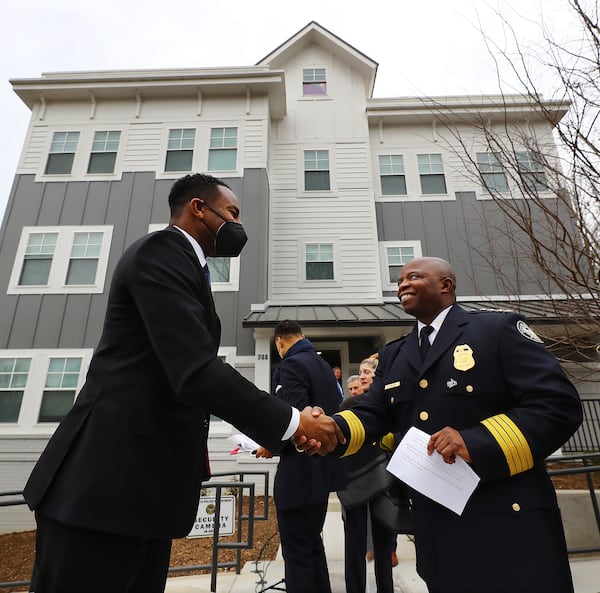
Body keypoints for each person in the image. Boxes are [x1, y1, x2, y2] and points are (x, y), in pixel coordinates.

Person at [22, 173, 344, 593]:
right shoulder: (161, 253)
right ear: (198, 208)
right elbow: (195, 371)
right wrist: (294, 423)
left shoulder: (188, 266)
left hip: (142, 495)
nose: (237, 225)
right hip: (103, 490)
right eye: (232, 213)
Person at [326, 256, 583, 593]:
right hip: (438, 531)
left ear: (445, 285)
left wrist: (476, 442)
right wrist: (330, 428)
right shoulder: (394, 355)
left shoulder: (496, 331)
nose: (401, 284)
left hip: (508, 524)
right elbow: (373, 413)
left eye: (413, 276)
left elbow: (558, 406)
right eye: (399, 280)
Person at [255, 320, 345, 593]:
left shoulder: (291, 365)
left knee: (297, 554)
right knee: (312, 545)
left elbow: (293, 416)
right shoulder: (323, 367)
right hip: (323, 470)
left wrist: (271, 444)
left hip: (300, 471)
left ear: (279, 342)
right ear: (302, 336)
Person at [338, 362, 396, 593]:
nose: (362, 377)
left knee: (383, 544)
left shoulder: (387, 406)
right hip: (354, 480)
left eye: (368, 373)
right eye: (360, 372)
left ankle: (385, 588)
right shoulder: (349, 405)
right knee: (355, 544)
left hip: (383, 480)